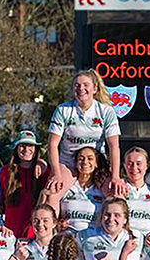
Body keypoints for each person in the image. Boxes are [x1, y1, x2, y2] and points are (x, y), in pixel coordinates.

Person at [45, 69, 125, 197]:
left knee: (116, 195)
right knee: (51, 194)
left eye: (85, 85)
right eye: (77, 85)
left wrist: (115, 176)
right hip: (69, 163)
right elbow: (52, 144)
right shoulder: (63, 110)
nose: (81, 88)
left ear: (94, 89)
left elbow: (114, 146)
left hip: (97, 164)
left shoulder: (106, 111)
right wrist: (56, 173)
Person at [0, 130, 50, 239]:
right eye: (22, 146)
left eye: (31, 146)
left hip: (37, 233)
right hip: (10, 233)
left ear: (36, 150)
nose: (27, 149)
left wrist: (42, 163)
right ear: (16, 149)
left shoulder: (45, 172)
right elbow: (1, 201)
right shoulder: (5, 172)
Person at [43, 146, 107, 233]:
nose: (85, 162)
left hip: (94, 240)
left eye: (90, 158)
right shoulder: (67, 186)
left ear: (96, 164)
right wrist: (57, 224)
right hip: (68, 239)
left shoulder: (102, 190)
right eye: (81, 159)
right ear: (76, 163)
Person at [118, 147, 150, 238]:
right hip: (125, 242)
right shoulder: (119, 188)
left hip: (148, 244)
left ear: (146, 166)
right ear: (124, 165)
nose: (134, 168)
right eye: (130, 164)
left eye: (138, 164)